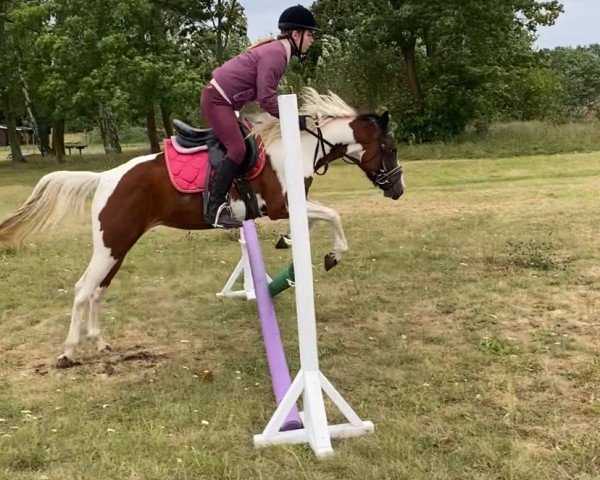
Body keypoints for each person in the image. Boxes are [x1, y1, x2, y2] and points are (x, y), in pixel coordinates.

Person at [200, 4, 318, 228]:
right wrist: (293, 119)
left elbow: (264, 98)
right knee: (238, 149)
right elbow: (266, 99)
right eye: (310, 34)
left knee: (247, 144)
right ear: (296, 34)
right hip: (218, 100)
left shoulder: (278, 51)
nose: (312, 40)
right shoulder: (277, 54)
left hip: (226, 102)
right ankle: (214, 209)